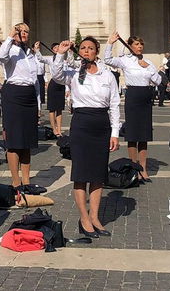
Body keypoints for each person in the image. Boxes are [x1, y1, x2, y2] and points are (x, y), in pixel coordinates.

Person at [50, 37, 120, 238]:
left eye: (90, 48)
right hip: (81, 123)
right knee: (81, 174)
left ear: (97, 51)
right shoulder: (72, 73)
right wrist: (61, 53)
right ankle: (83, 218)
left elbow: (114, 103)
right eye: (83, 48)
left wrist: (115, 132)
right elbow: (56, 75)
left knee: (98, 175)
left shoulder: (107, 74)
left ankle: (95, 216)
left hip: (101, 124)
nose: (87, 51)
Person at [103, 33, 162, 182]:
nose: (139, 47)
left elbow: (158, 81)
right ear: (130, 46)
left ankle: (143, 169)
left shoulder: (147, 62)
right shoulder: (125, 61)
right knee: (132, 135)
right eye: (136, 44)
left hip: (146, 98)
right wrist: (110, 43)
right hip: (133, 97)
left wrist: (148, 67)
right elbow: (108, 60)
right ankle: (133, 167)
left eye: (141, 44)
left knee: (144, 137)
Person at [0, 23, 40, 188]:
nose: (25, 34)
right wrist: (11, 35)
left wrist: (38, 105)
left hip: (29, 95)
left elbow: (34, 79)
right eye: (21, 31)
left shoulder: (29, 53)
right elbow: (2, 57)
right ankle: (15, 180)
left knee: (27, 140)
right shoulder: (10, 49)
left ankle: (26, 180)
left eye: (27, 31)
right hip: (13, 93)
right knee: (13, 139)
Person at [37, 42, 66, 137]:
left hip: (61, 84)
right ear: (53, 50)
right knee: (52, 108)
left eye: (59, 47)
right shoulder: (50, 59)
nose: (58, 48)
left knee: (60, 109)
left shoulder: (63, 60)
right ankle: (54, 129)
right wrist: (37, 50)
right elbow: (40, 58)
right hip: (53, 83)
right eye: (56, 47)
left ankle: (59, 129)